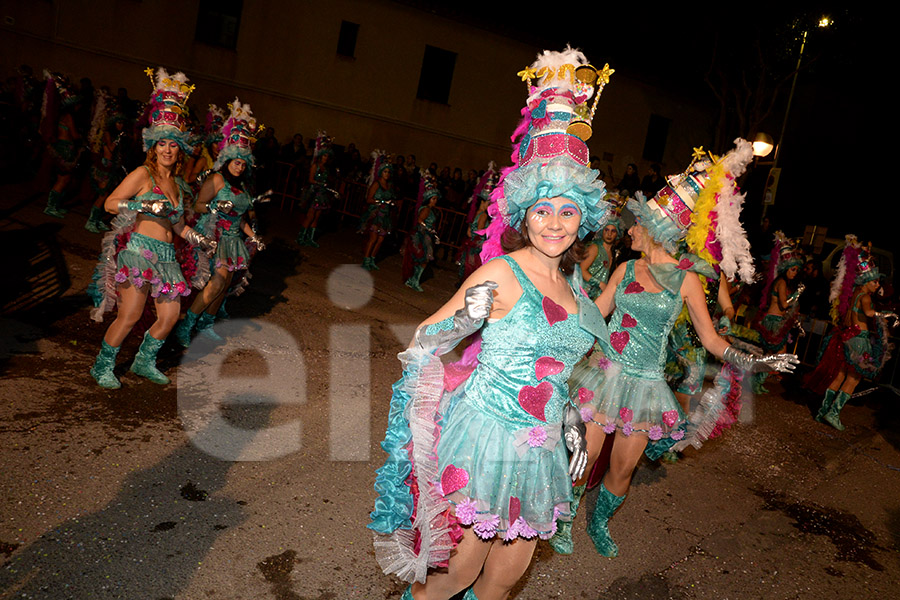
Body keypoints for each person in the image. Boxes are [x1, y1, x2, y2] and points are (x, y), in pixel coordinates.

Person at [370, 47, 614, 600]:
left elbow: (568, 367)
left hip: (541, 448)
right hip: (484, 441)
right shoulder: (503, 271)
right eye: (542, 209)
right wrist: (465, 319)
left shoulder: (576, 287)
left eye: (567, 211)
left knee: (502, 584)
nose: (553, 223)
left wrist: (573, 417)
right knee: (455, 574)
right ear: (524, 214)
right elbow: (421, 340)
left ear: (583, 220)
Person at [552, 142, 798, 557]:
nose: (630, 229)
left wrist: (755, 361)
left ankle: (598, 522)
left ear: (657, 229)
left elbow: (712, 340)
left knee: (622, 468)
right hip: (606, 373)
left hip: (645, 386)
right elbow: (594, 315)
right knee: (583, 455)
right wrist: (555, 307)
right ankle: (565, 521)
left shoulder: (688, 282)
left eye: (638, 224)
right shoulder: (626, 268)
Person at [88, 67, 215, 389]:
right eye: (163, 145)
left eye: (174, 145)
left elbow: (177, 225)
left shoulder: (178, 186)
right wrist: (141, 205)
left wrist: (199, 239)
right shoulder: (142, 174)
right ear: (153, 146)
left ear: (181, 149)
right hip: (140, 254)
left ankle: (145, 361)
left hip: (168, 257)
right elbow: (110, 203)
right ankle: (102, 365)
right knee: (129, 316)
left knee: (170, 317)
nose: (168, 150)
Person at [174, 99, 264, 345]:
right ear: (228, 159)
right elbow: (198, 206)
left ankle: (206, 324)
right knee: (217, 282)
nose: (240, 167)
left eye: (244, 164)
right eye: (237, 162)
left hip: (234, 240)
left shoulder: (242, 186)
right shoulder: (216, 179)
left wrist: (253, 237)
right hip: (214, 236)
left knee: (224, 287)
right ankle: (186, 326)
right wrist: (216, 206)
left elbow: (242, 217)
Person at [806, 239, 897, 430]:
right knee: (854, 379)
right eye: (875, 281)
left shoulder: (854, 293)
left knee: (840, 376)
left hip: (848, 337)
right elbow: (870, 313)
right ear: (866, 281)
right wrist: (888, 314)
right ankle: (833, 413)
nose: (877, 284)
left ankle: (823, 411)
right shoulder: (864, 296)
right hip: (858, 341)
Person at [752, 232, 804, 393]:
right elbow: (783, 304)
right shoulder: (781, 283)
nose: (795, 273)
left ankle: (757, 382)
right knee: (778, 354)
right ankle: (757, 381)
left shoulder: (782, 282)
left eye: (796, 270)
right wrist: (796, 295)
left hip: (775, 320)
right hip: (773, 321)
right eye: (793, 269)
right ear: (786, 268)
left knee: (770, 355)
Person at [85, 92, 130, 233]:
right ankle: (91, 221)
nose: (121, 126)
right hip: (104, 167)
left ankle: (98, 220)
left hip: (112, 167)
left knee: (108, 194)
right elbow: (110, 149)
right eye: (118, 122)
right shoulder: (107, 134)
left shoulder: (117, 134)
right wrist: (118, 139)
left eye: (122, 123)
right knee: (103, 194)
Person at [41, 71, 83, 218]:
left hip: (60, 147)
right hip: (65, 149)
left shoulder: (62, 115)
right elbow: (74, 135)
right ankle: (51, 206)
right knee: (63, 179)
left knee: (63, 178)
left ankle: (55, 205)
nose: (80, 107)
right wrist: (82, 139)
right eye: (78, 104)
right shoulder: (69, 117)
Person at [456, 163, 498, 285]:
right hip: (477, 247)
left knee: (467, 271)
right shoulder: (484, 215)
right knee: (475, 271)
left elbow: (469, 231)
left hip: (470, 244)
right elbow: (480, 231)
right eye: (489, 203)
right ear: (485, 202)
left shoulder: (476, 213)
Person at [402, 170, 441, 292]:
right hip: (422, 235)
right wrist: (429, 229)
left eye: (436, 199)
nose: (435, 201)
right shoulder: (427, 209)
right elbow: (420, 220)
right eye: (433, 199)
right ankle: (414, 280)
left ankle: (414, 280)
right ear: (429, 199)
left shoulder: (429, 209)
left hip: (426, 235)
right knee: (423, 259)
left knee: (423, 259)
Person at [296, 131, 337, 247]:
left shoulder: (326, 168)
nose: (326, 158)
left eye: (327, 156)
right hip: (315, 193)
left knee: (317, 217)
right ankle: (301, 237)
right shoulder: (315, 166)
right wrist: (319, 183)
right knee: (310, 216)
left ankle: (310, 238)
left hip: (322, 195)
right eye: (324, 155)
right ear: (321, 155)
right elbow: (310, 179)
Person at [359, 151, 395, 270]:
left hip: (385, 215)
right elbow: (369, 199)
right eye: (385, 171)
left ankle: (372, 259)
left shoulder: (389, 186)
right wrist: (380, 202)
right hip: (376, 214)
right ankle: (365, 259)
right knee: (373, 238)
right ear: (381, 172)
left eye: (389, 172)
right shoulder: (376, 184)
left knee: (380, 239)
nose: (387, 174)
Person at [580, 215, 622, 300]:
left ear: (617, 234)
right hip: (583, 294)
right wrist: (600, 284)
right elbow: (581, 269)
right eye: (606, 230)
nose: (609, 234)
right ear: (602, 231)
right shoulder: (595, 248)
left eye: (613, 231)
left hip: (597, 297)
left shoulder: (613, 253)